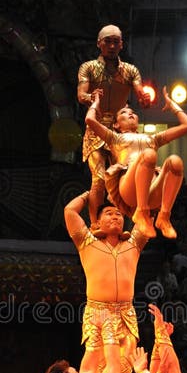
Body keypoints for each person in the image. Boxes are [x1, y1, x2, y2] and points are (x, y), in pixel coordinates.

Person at [64, 192, 148, 373]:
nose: (115, 217)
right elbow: (70, 211)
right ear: (97, 221)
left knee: (124, 369)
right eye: (109, 213)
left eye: (119, 214)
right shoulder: (86, 242)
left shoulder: (133, 243)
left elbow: (146, 214)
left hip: (126, 313)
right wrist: (91, 192)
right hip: (97, 312)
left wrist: (132, 193)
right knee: (95, 365)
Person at [85, 86, 187, 239]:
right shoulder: (114, 138)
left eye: (133, 113)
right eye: (124, 112)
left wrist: (172, 105)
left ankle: (164, 216)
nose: (130, 114)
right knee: (148, 154)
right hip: (129, 188)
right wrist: (95, 103)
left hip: (152, 189)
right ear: (116, 125)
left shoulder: (152, 139)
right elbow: (90, 120)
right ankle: (141, 212)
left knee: (175, 162)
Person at [77, 24, 152, 229]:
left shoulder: (130, 70)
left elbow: (140, 92)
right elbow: (80, 94)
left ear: (121, 45)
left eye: (115, 42)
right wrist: (90, 96)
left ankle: (129, 223)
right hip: (97, 128)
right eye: (107, 41)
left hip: (120, 131)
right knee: (99, 179)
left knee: (126, 179)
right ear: (99, 44)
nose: (111, 45)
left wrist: (144, 98)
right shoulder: (89, 67)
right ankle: (94, 224)